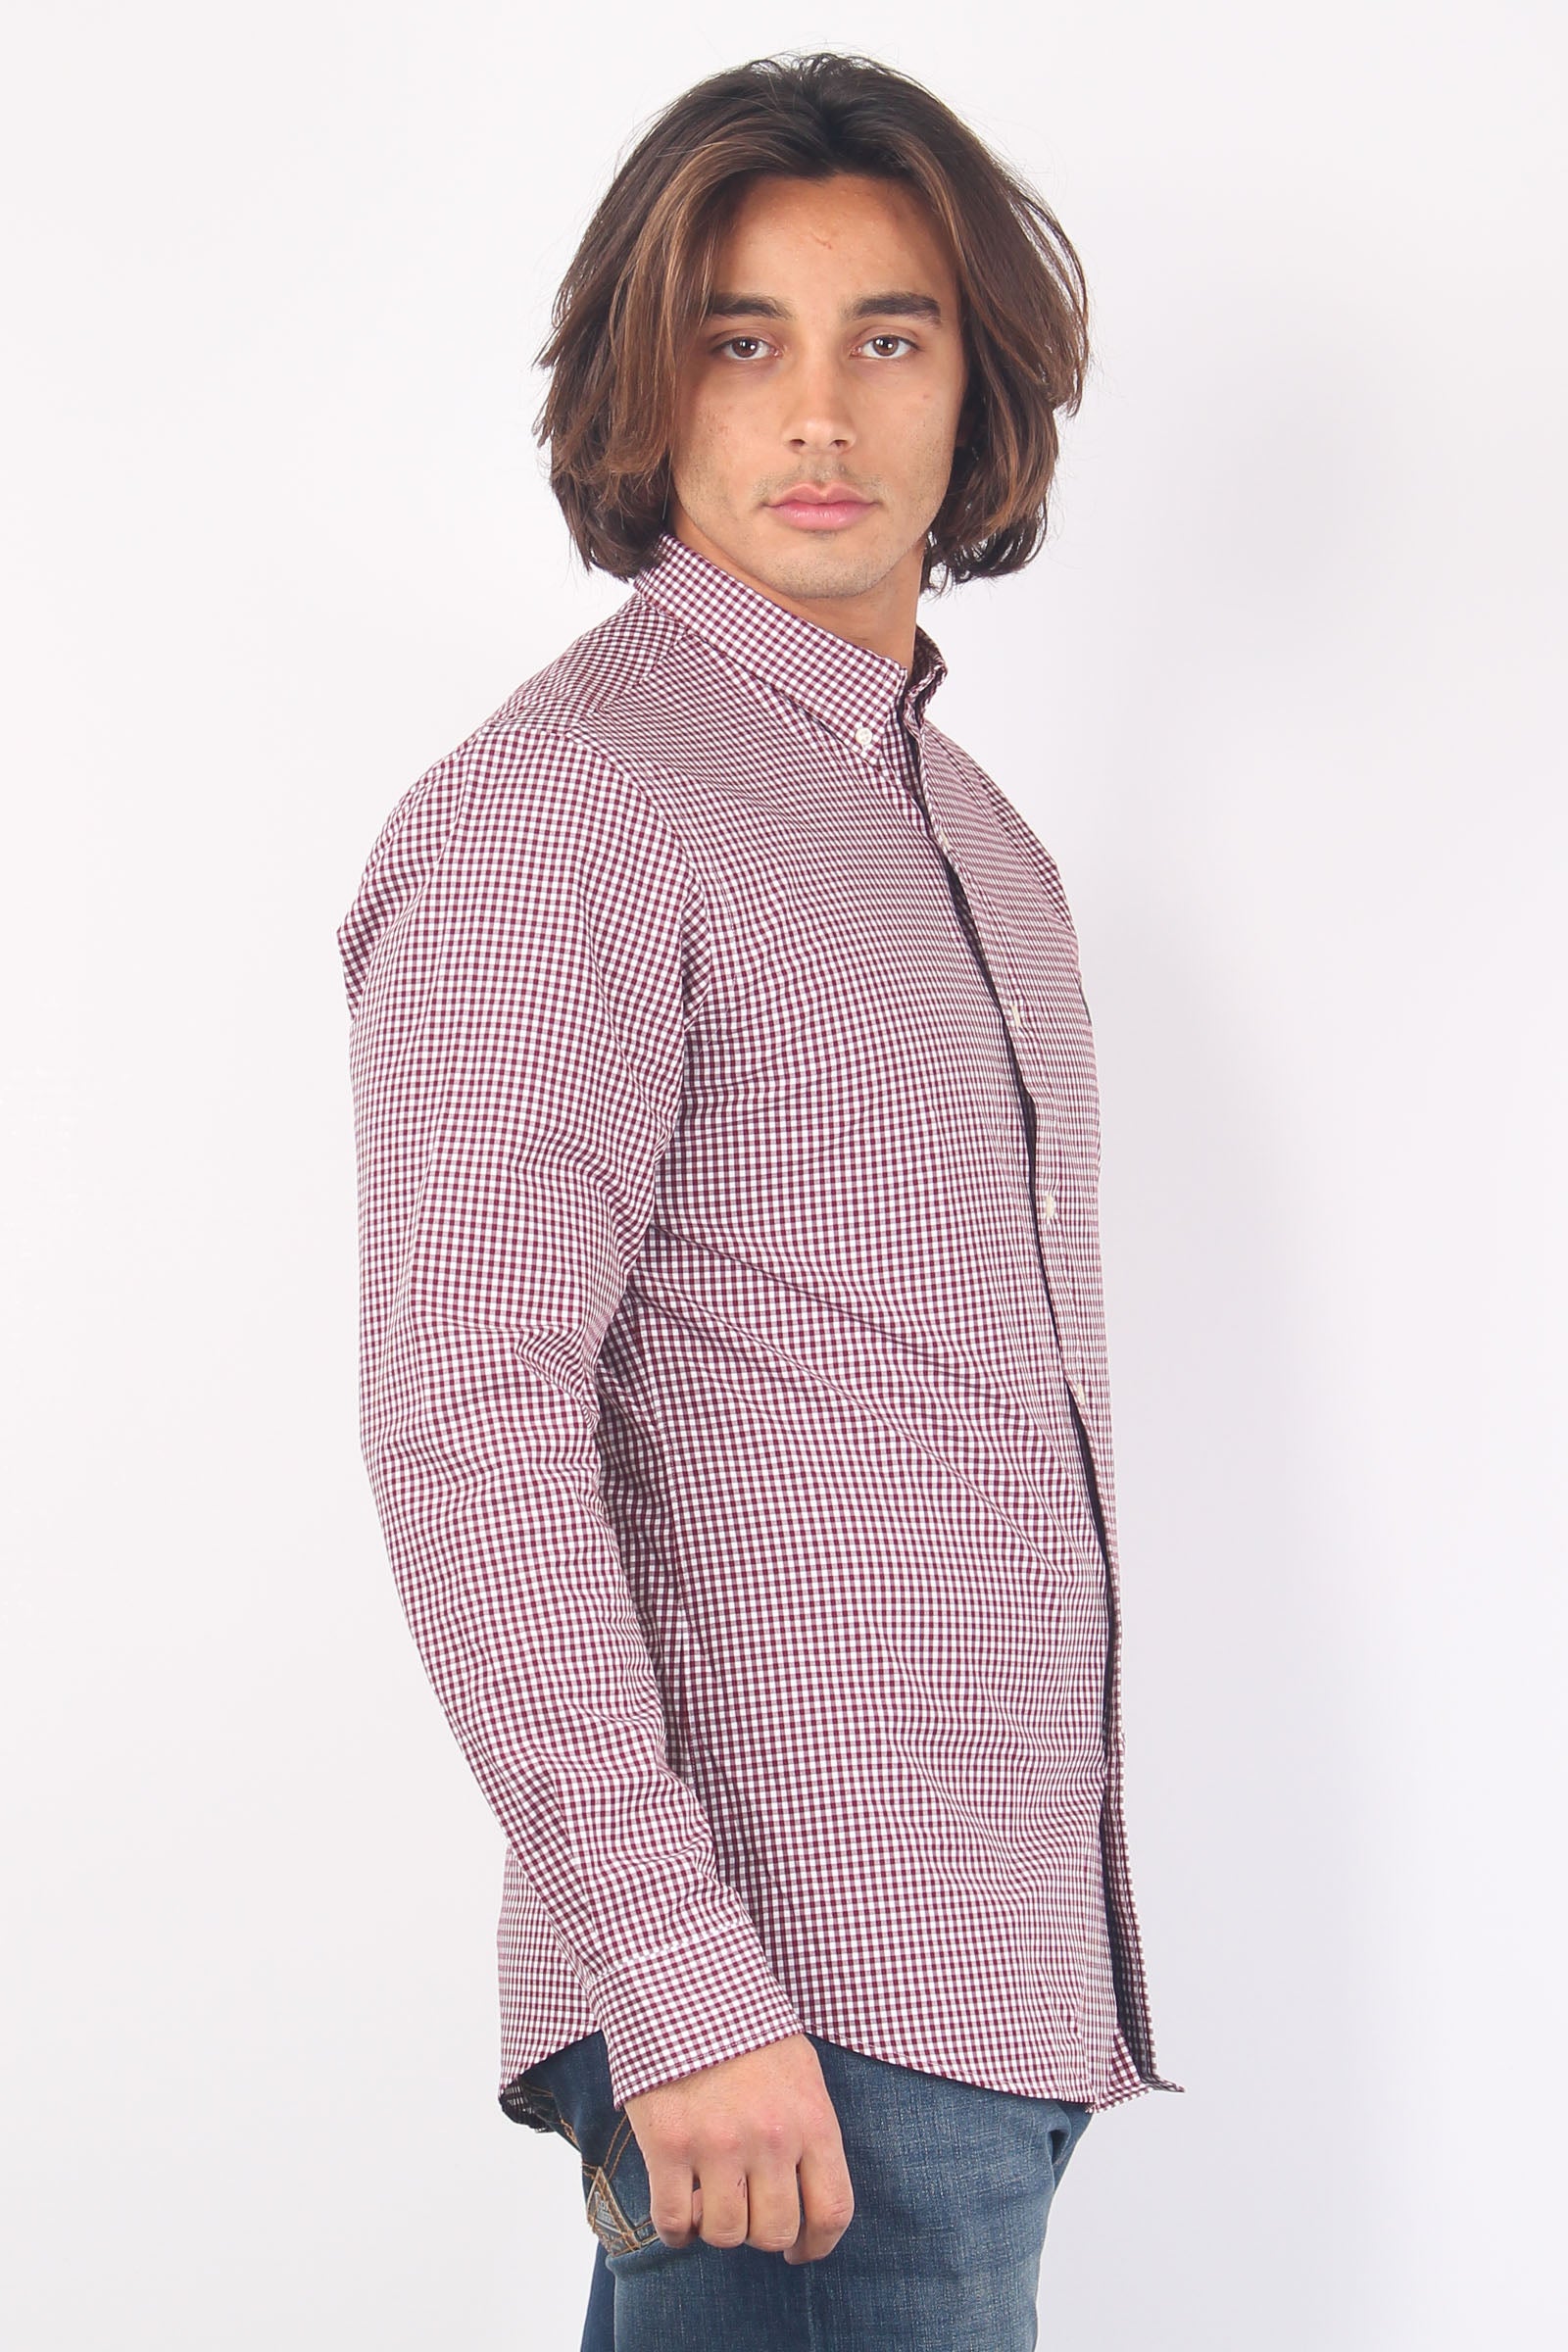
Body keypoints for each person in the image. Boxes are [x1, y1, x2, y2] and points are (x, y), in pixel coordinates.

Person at [337, 49, 1181, 2351]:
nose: (817, 413)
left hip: (983, 1996)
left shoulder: (974, 838)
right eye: (740, 339)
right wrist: (674, 1974)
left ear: (976, 388)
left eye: (886, 336)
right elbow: (468, 1424)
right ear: (645, 383)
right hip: (775, 2013)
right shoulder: (566, 809)